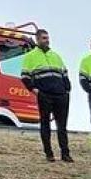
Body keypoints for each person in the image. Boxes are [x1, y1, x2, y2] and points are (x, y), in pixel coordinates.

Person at [20, 29, 72, 163]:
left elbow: (65, 74)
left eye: (48, 38)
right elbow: (25, 77)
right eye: (44, 38)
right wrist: (35, 90)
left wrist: (67, 90)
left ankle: (65, 154)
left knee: (62, 126)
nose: (47, 40)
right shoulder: (30, 56)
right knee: (45, 124)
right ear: (37, 40)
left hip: (61, 95)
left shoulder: (56, 55)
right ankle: (49, 153)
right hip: (45, 95)